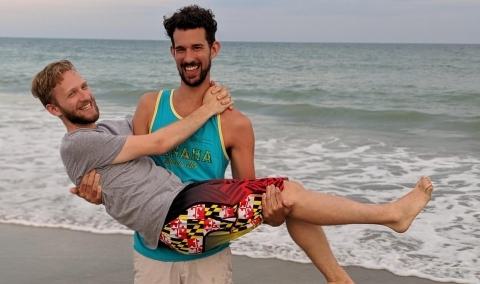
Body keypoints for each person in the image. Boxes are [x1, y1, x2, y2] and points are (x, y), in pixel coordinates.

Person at [32, 60, 434, 284]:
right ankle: (389, 215)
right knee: (288, 193)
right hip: (177, 219)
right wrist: (208, 107)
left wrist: (199, 95)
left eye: (84, 85)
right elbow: (157, 142)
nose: (85, 95)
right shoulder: (76, 144)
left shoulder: (110, 129)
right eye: (73, 94)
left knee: (288, 195)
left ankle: (338, 279)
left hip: (186, 209)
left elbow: (149, 130)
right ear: (53, 109)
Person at [73, 5, 356, 284]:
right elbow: (130, 176)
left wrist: (274, 215)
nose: (188, 57)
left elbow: (246, 199)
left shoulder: (236, 125)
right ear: (172, 52)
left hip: (208, 260)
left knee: (289, 197)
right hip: (152, 258)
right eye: (180, 49)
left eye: (197, 47)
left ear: (214, 49)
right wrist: (100, 194)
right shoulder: (150, 106)